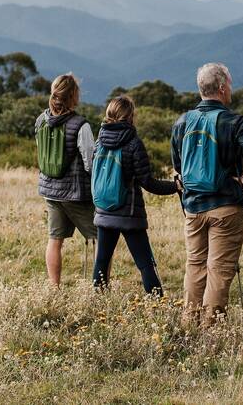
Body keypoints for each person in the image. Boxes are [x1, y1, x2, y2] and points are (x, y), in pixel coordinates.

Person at [171, 63, 243, 326]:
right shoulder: (234, 121)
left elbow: (178, 166)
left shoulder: (182, 122)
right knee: (220, 270)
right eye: (231, 84)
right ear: (222, 87)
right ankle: (211, 331)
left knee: (195, 265)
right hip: (225, 206)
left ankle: (189, 323)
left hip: (193, 207)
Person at [91, 95, 180, 294]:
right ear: (130, 116)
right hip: (129, 214)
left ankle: (97, 302)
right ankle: (157, 305)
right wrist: (175, 186)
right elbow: (148, 182)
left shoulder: (100, 141)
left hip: (104, 210)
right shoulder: (133, 143)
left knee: (102, 261)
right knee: (145, 263)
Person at [35, 73, 96, 286]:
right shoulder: (81, 125)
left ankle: (54, 287)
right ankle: (100, 287)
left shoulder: (41, 121)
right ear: (73, 96)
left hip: (50, 190)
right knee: (99, 238)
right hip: (75, 194)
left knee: (54, 240)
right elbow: (90, 162)